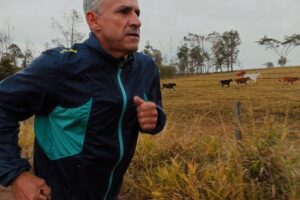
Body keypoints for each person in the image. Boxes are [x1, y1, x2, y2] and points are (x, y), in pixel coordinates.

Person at [0, 0, 166, 199]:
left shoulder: (145, 67)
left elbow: (155, 116)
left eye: (137, 13)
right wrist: (16, 175)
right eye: (123, 11)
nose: (136, 21)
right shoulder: (60, 66)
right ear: (94, 20)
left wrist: (154, 120)